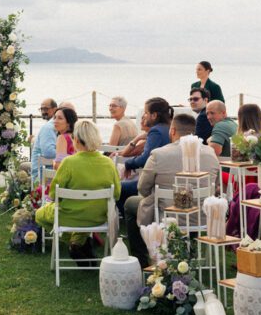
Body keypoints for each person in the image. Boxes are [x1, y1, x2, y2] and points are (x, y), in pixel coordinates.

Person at [123, 114, 220, 267]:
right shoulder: (210, 153)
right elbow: (216, 186)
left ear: (173, 130)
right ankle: (189, 251)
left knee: (130, 204)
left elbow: (142, 188)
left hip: (165, 214)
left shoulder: (159, 154)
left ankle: (142, 259)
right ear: (193, 132)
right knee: (192, 204)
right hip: (201, 216)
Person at [35, 120, 121, 261]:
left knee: (39, 214)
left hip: (69, 216)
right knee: (83, 221)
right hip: (97, 217)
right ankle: (78, 242)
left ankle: (73, 241)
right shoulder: (108, 163)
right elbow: (116, 193)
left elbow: (54, 194)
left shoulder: (69, 163)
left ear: (76, 139)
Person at [119, 98, 173, 212]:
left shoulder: (156, 131)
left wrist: (128, 164)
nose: (144, 115)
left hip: (154, 182)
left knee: (119, 188)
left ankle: (132, 219)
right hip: (166, 180)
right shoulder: (168, 128)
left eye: (146, 113)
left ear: (154, 115)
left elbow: (145, 158)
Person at [26, 98, 57, 182]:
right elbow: (48, 152)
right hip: (42, 172)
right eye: (41, 109)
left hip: (44, 172)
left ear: (55, 109)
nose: (43, 112)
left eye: (46, 109)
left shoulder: (49, 126)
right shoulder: (49, 127)